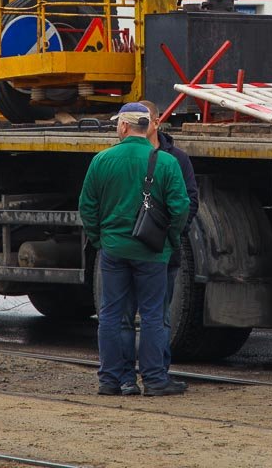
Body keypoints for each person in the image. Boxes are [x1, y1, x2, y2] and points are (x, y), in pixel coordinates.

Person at [79, 102, 189, 397]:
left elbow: (87, 207)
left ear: (125, 126)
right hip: (152, 253)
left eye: (117, 124)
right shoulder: (166, 163)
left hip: (113, 250)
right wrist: (170, 239)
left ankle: (111, 380)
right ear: (146, 126)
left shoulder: (102, 160)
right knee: (153, 315)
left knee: (112, 314)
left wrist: (100, 239)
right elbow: (181, 208)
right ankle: (154, 380)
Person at [115, 99, 199, 392]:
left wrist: (170, 239)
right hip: (144, 250)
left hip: (155, 250)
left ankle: (151, 375)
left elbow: (188, 204)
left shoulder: (175, 158)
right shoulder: (155, 159)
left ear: (156, 122)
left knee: (154, 316)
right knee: (136, 316)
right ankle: (136, 378)